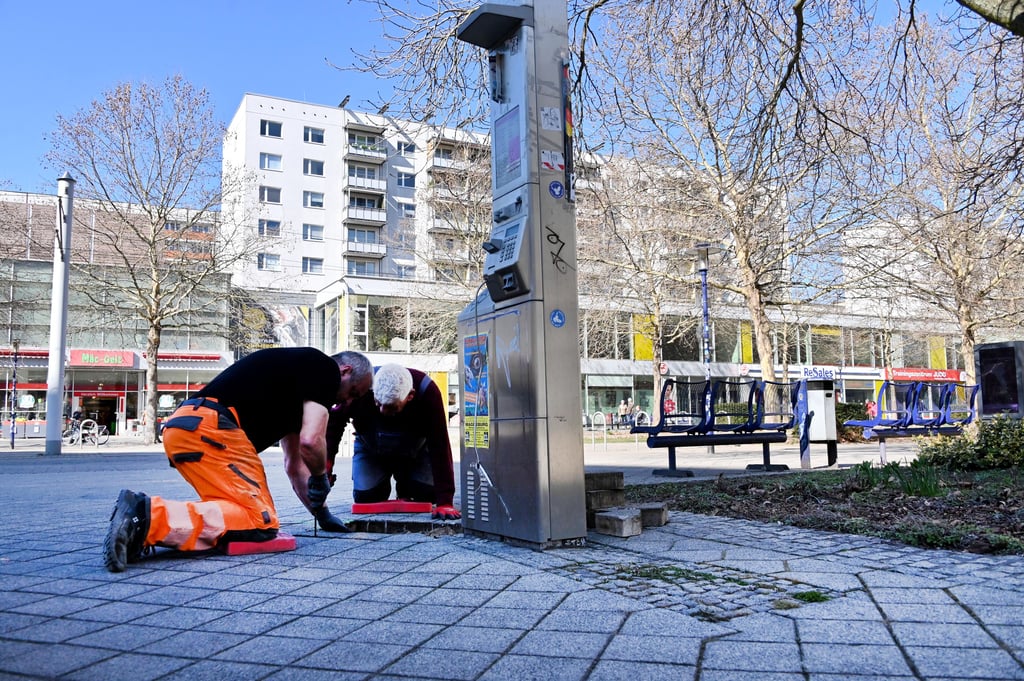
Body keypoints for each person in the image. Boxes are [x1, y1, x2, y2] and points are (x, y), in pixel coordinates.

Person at [102, 348, 373, 572]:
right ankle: (144, 514)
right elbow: (311, 442)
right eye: (354, 392)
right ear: (345, 371)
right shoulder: (324, 369)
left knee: (232, 512)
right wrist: (320, 478)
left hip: (184, 429)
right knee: (259, 521)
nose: (347, 402)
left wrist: (321, 514)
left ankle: (139, 529)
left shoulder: (296, 386)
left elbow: (294, 465)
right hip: (214, 429)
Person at [324, 363, 460, 520]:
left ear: (410, 396)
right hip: (371, 449)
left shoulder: (427, 392)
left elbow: (440, 444)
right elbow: (334, 424)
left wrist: (445, 502)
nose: (382, 411)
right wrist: (326, 466)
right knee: (366, 497)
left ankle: (407, 482)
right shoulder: (361, 386)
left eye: (391, 407)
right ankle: (384, 482)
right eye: (378, 403)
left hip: (415, 452)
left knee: (426, 495)